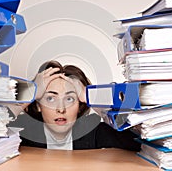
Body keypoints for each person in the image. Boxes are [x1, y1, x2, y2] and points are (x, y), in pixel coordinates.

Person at [11, 60, 140, 151]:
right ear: (38, 105)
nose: (60, 109)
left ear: (79, 104)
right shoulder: (24, 132)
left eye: (69, 98)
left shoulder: (92, 131)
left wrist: (87, 95)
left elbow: (139, 141)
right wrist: (30, 93)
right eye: (50, 98)